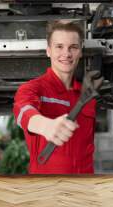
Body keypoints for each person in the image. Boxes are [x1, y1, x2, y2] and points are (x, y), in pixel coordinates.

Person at [13, 20, 96, 174]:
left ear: (81, 51)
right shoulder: (33, 88)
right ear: (48, 51)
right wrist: (45, 126)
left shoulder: (87, 96)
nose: (66, 54)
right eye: (59, 47)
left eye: (73, 47)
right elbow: (22, 110)